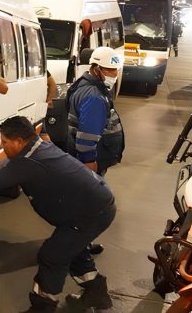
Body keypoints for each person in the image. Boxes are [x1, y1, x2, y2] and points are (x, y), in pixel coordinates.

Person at [0, 116, 116, 312]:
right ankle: (97, 295)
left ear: (19, 141)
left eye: (5, 142)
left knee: (52, 255)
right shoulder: (40, 147)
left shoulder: (28, 162)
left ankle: (43, 307)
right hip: (95, 206)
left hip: (90, 213)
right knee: (71, 249)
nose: (3, 147)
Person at [66, 46, 124, 256]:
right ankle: (78, 247)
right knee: (88, 206)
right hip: (91, 160)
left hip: (87, 157)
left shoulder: (85, 84)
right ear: (96, 68)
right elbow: (87, 135)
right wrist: (89, 161)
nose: (114, 75)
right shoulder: (94, 96)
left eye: (115, 70)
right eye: (109, 70)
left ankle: (80, 243)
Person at [39, 70, 57, 142]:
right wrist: (48, 100)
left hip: (37, 105)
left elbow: (52, 83)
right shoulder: (39, 68)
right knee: (42, 132)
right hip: (38, 105)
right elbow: (52, 83)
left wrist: (48, 100)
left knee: (41, 132)